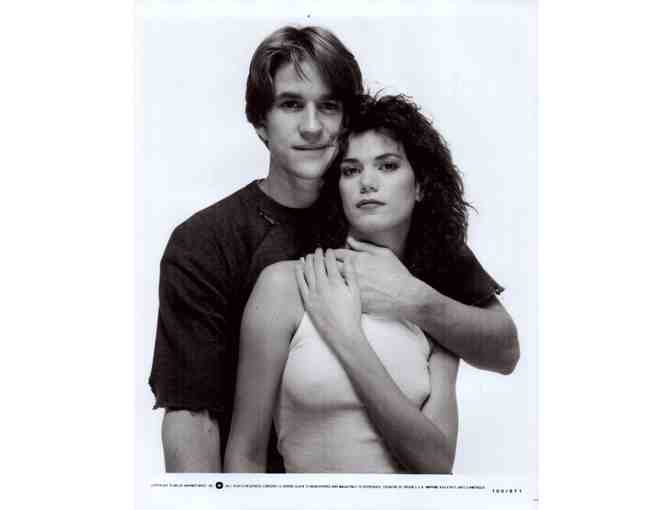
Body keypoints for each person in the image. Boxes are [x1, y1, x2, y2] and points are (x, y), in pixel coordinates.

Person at [149, 25, 518, 473]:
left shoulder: (388, 219)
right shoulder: (206, 242)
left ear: (347, 118)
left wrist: (413, 298)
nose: (311, 127)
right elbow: (192, 417)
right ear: (260, 122)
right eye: (290, 105)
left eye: (328, 106)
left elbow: (503, 349)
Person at [224, 94, 518, 473]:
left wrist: (347, 336)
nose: (367, 182)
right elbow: (245, 455)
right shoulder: (288, 285)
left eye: (388, 166)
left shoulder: (437, 300)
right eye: (350, 171)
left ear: (421, 186)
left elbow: (436, 465)